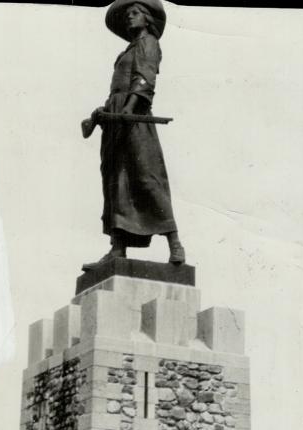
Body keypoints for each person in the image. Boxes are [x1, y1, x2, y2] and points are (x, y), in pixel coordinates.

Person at [83, 0, 185, 268]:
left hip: (135, 117)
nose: (130, 17)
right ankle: (117, 248)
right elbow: (118, 87)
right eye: (127, 14)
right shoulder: (125, 51)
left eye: (135, 13)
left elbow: (144, 80)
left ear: (147, 18)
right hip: (117, 118)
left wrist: (128, 111)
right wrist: (103, 113)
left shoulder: (148, 42)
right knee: (116, 181)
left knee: (146, 176)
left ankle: (175, 243)